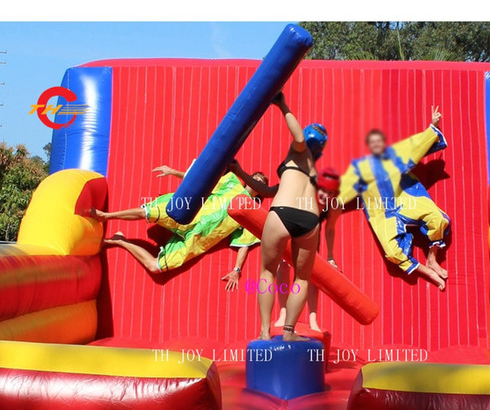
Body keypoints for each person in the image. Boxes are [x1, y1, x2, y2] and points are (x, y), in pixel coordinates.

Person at [230, 92, 327, 341]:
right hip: (309, 221)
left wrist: (283, 105)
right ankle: (289, 332)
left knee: (267, 273)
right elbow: (268, 191)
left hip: (282, 213)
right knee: (302, 278)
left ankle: (264, 331)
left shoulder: (298, 152)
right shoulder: (310, 170)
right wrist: (241, 172)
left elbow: (299, 138)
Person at [336, 106, 451, 290]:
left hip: (406, 200)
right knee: (392, 252)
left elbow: (415, 147)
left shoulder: (391, 157)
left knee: (437, 218)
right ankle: (427, 271)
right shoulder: (357, 172)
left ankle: (432, 258)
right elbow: (339, 194)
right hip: (382, 213)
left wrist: (433, 127)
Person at [92, 164, 265, 274]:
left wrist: (237, 270)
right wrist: (173, 172)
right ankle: (106, 216)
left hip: (196, 240)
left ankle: (120, 240)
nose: (257, 181)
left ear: (261, 191)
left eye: (261, 183)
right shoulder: (232, 182)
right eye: (255, 177)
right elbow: (202, 183)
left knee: (155, 267)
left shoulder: (252, 211)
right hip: (189, 214)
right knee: (147, 212)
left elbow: (244, 244)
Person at [274, 167, 341, 331]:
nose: (325, 196)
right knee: (283, 266)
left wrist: (330, 256)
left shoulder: (334, 205)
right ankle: (283, 312)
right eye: (323, 191)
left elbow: (330, 229)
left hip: (311, 231)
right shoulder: (304, 195)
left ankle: (313, 318)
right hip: (290, 226)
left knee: (312, 273)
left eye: (330, 193)